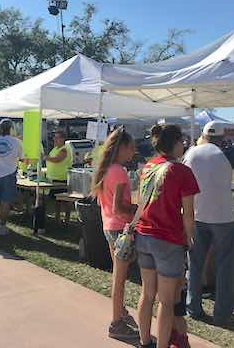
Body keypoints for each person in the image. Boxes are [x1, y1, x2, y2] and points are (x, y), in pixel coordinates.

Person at [183, 121, 234, 326]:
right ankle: (223, 313)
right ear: (222, 137)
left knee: (195, 264)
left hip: (198, 215)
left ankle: (193, 307)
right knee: (225, 266)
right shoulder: (226, 152)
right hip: (224, 218)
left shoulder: (190, 153)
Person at [136, 125, 199, 348]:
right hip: (167, 239)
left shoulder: (148, 167)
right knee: (167, 300)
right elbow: (188, 214)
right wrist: (189, 241)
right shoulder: (182, 171)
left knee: (147, 293)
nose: (184, 145)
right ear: (174, 143)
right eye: (182, 141)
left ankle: (145, 341)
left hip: (143, 234)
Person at [91, 127, 138, 340]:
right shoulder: (118, 171)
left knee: (118, 276)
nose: (133, 152)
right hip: (120, 229)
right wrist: (138, 210)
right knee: (119, 279)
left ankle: (121, 312)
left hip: (109, 226)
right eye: (131, 148)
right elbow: (120, 207)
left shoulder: (106, 169)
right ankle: (116, 322)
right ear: (122, 148)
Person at [45, 130, 72, 224]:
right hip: (54, 178)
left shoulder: (64, 149)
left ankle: (67, 219)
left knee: (64, 201)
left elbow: (58, 159)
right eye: (54, 137)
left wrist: (45, 158)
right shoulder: (55, 148)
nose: (55, 140)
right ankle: (57, 218)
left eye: (57, 138)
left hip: (62, 179)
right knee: (57, 201)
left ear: (63, 139)